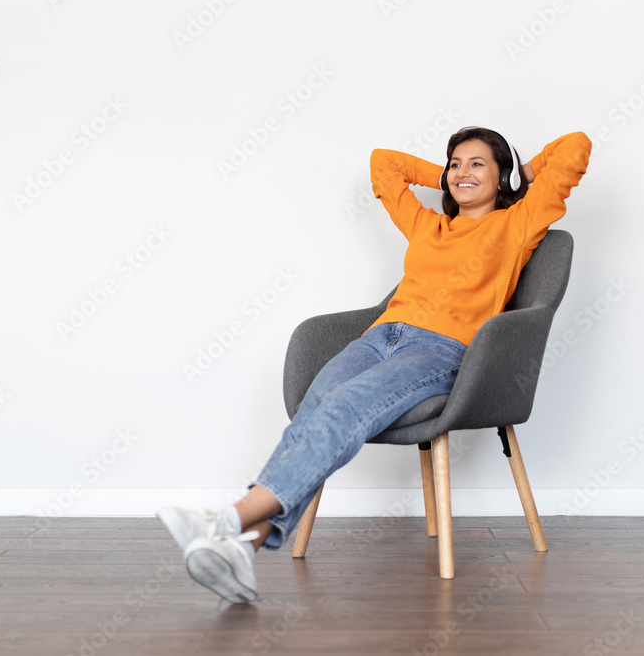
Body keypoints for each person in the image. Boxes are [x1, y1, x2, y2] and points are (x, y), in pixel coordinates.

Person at [157, 126, 592, 603]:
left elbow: (576, 147)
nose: (461, 173)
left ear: (502, 175)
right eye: (455, 164)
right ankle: (246, 548)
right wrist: (450, 179)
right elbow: (383, 163)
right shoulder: (428, 225)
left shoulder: (518, 225)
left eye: (477, 164)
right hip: (380, 336)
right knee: (316, 406)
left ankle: (230, 518)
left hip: (442, 350)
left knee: (344, 406)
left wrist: (518, 175)